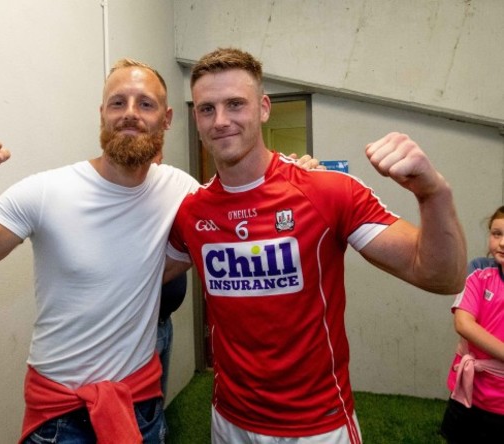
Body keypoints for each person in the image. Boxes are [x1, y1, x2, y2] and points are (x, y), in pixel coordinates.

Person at [0, 57, 318, 443]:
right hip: (60, 417)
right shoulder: (44, 193)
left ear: (167, 119)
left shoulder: (186, 193)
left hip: (142, 406)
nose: (130, 113)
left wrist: (300, 179)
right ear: (102, 114)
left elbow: (252, 208)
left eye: (145, 104)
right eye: (118, 102)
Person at [164, 47, 467, 444]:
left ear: (263, 108)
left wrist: (433, 194)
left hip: (317, 426)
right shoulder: (191, 212)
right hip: (229, 419)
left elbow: (439, 275)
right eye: (207, 109)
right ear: (196, 119)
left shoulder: (327, 192)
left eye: (235, 104)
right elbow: (142, 282)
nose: (221, 121)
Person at [440, 205, 504, 443]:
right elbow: (464, 323)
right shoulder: (479, 270)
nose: (502, 243)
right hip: (469, 392)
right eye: (497, 234)